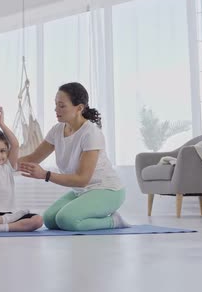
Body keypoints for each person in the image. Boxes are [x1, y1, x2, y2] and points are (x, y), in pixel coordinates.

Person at [18, 82, 130, 231]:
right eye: (56, 104)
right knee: (50, 220)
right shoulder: (57, 130)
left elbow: (82, 179)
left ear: (79, 108)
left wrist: (45, 175)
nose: (56, 109)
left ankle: (114, 221)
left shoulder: (91, 133)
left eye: (62, 106)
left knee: (66, 220)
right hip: (82, 192)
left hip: (107, 190)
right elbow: (32, 158)